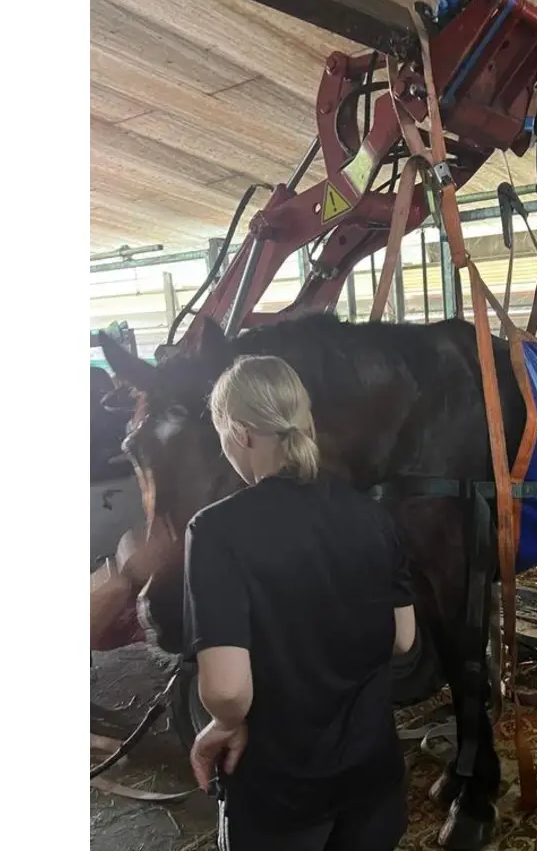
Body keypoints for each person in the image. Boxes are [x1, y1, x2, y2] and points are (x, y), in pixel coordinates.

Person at [184, 354, 416, 850]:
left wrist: (224, 726)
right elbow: (402, 638)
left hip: (283, 795)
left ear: (241, 434)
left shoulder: (216, 531)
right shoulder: (370, 514)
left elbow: (228, 690)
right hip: (374, 781)